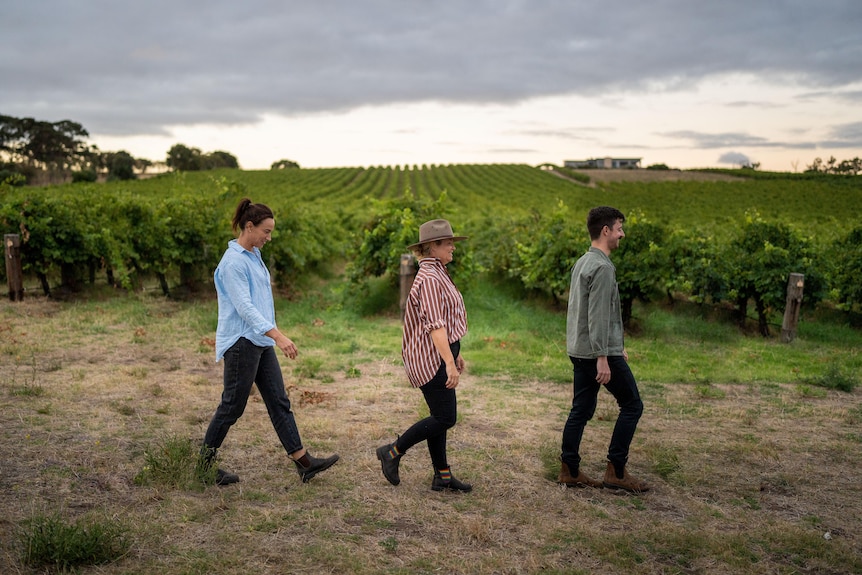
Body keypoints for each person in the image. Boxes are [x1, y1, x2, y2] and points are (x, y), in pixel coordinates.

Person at [199, 198, 339, 486]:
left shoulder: (253, 255)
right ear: (249, 226)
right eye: (266, 231)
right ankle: (203, 468)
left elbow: (260, 302)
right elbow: (245, 308)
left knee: (278, 401)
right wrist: (278, 335)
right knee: (232, 406)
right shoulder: (233, 262)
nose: (269, 237)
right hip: (241, 342)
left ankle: (303, 462)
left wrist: (270, 333)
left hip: (259, 340)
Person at [376, 219, 472, 492]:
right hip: (432, 359)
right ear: (432, 246)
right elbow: (436, 326)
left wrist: (456, 352)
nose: (453, 247)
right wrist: (449, 362)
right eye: (448, 243)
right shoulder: (429, 278)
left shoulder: (438, 272)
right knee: (445, 418)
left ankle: (442, 475)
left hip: (441, 354)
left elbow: (447, 320)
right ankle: (392, 452)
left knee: (439, 416)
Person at [559, 206, 650, 493]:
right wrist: (603, 355)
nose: (622, 234)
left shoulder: (583, 262)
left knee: (581, 409)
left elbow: (588, 312)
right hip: (596, 353)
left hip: (580, 349)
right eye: (619, 228)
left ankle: (570, 469)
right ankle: (616, 471)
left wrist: (616, 346)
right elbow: (598, 315)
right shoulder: (603, 267)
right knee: (632, 405)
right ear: (606, 230)